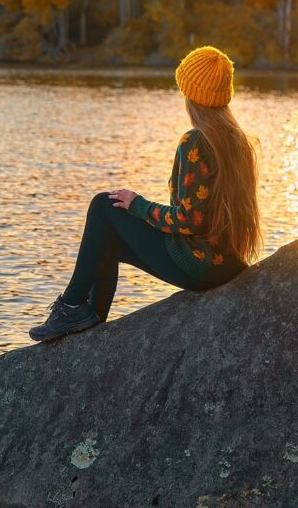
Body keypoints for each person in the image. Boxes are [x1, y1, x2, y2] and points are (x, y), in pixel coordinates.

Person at [29, 45, 263, 342]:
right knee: (108, 241)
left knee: (104, 206)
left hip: (199, 264)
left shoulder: (197, 141)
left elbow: (189, 221)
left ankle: (72, 305)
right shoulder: (239, 141)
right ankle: (88, 324)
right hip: (227, 263)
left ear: (192, 93)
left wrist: (137, 205)